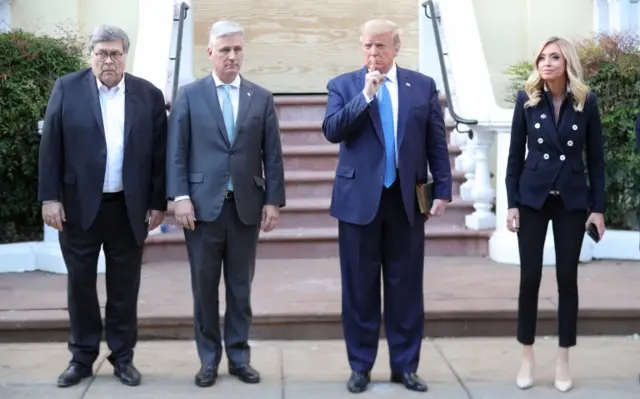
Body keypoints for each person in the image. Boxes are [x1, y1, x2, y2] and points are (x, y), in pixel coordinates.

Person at [322, 19, 452, 394]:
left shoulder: (422, 86)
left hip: (406, 203)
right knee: (359, 289)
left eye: (379, 47)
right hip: (358, 203)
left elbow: (436, 142)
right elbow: (332, 131)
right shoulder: (344, 85)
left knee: (406, 288)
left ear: (396, 48)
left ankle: (405, 367)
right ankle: (360, 366)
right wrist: (365, 96)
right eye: (366, 46)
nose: (372, 54)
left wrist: (441, 188)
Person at [38, 25, 168, 387]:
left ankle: (123, 357)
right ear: (91, 55)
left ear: (125, 55)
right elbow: (51, 145)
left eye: (115, 53)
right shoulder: (67, 88)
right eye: (101, 53)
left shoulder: (148, 95)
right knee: (80, 287)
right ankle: (81, 357)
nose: (108, 60)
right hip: (78, 209)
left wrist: (158, 202)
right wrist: (50, 197)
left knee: (125, 289)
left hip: (129, 209)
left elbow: (159, 154)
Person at [166, 20, 285, 388]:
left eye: (237, 49)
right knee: (204, 289)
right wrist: (180, 197)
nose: (232, 56)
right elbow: (177, 151)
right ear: (210, 52)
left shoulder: (260, 97)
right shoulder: (189, 95)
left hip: (245, 208)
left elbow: (273, 155)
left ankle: (238, 357)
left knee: (240, 289)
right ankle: (208, 359)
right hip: (201, 210)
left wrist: (273, 202)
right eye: (225, 50)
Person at [505, 36, 606, 393]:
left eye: (554, 57)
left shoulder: (585, 101)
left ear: (567, 63)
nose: (545, 63)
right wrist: (511, 203)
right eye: (541, 58)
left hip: (572, 201)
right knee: (529, 278)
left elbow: (595, 159)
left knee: (567, 279)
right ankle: (527, 355)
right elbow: (515, 156)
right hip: (532, 199)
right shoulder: (527, 100)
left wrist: (598, 209)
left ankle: (563, 358)